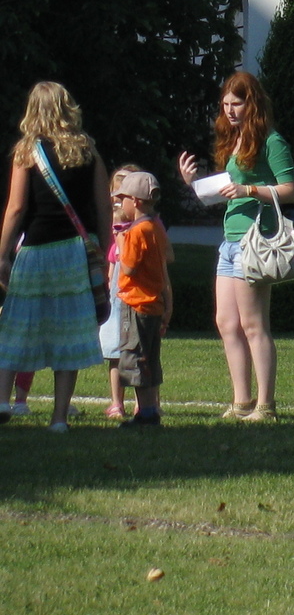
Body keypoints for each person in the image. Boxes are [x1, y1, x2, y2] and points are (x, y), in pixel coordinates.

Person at [178, 72, 294, 424]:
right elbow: (226, 193)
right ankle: (241, 401)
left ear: (252, 103)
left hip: (255, 241)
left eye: (237, 103)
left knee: (253, 323)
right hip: (230, 241)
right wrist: (194, 185)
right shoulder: (237, 139)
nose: (230, 111)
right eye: (226, 104)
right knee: (226, 321)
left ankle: (265, 405)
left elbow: (291, 190)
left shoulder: (272, 141)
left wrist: (250, 191)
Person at [0, 83, 113, 432]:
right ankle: (60, 418)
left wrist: (3, 252)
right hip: (75, 252)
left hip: (35, 250)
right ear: (68, 108)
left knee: (17, 326)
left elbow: (17, 207)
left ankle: (3, 399)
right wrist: (104, 251)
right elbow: (103, 205)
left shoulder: (26, 151)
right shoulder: (88, 150)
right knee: (70, 331)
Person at [109, 171, 171, 428]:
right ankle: (148, 409)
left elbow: (130, 268)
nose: (119, 204)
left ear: (134, 201)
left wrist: (121, 243)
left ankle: (146, 413)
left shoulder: (135, 232)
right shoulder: (156, 226)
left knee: (136, 358)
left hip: (136, 303)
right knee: (149, 357)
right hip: (153, 303)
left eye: (121, 199)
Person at [100, 164, 143, 421]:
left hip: (135, 292)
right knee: (114, 352)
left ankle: (142, 402)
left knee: (137, 349)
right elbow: (113, 264)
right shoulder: (116, 225)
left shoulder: (144, 227)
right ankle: (117, 402)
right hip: (117, 294)